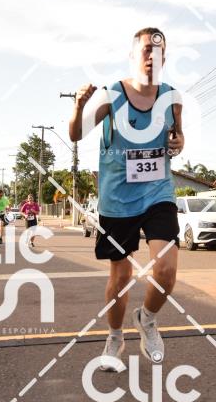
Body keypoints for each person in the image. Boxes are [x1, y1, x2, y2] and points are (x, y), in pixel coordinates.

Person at [69, 27, 184, 371]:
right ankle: (115, 336)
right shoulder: (111, 95)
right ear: (133, 55)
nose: (152, 56)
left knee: (166, 269)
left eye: (159, 51)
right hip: (118, 200)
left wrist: (178, 143)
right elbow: (75, 134)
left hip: (158, 192)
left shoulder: (172, 98)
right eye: (147, 49)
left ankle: (147, 319)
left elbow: (178, 139)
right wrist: (79, 105)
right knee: (121, 278)